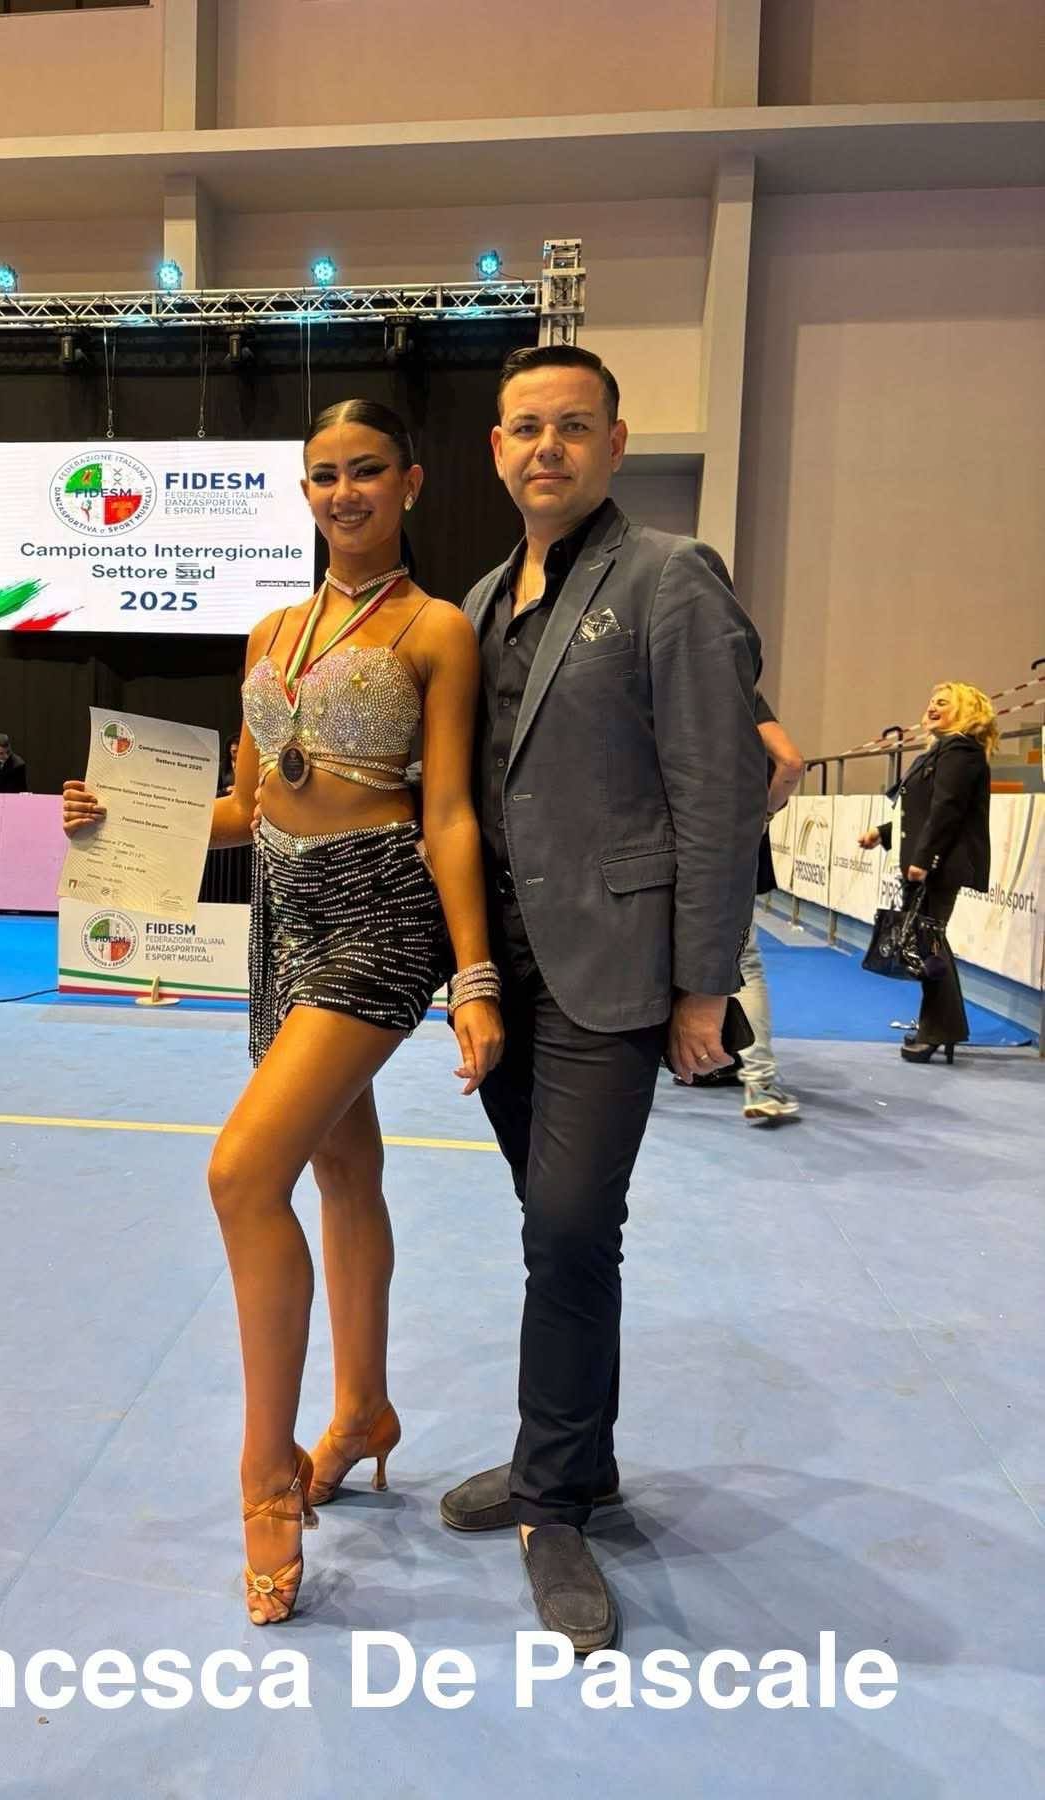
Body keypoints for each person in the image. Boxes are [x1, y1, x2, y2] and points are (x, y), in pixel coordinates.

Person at [63, 400, 503, 1626]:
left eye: (367, 471)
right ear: (303, 491)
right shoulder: (270, 630)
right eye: (324, 475)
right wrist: (114, 813)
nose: (343, 492)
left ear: (410, 482)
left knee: (241, 1174)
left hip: (379, 916)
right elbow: (248, 805)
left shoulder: (435, 629)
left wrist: (472, 977)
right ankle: (362, 1408)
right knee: (341, 1172)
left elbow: (447, 812)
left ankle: (265, 1477)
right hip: (281, 918)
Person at [437, 344, 766, 1652]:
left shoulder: (670, 575)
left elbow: (718, 792)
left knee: (569, 1229)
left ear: (615, 444)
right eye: (525, 427)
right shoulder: (476, 602)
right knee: (558, 1227)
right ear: (495, 448)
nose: (547, 448)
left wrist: (703, 985)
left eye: (573, 426)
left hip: (614, 968)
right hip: (506, 974)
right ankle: (579, 1456)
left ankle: (552, 1502)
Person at [857, 680, 994, 1063]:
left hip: (938, 866)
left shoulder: (961, 751)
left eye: (943, 703)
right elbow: (919, 813)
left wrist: (924, 859)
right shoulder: (941, 750)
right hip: (929, 860)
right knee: (929, 944)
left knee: (929, 945)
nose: (932, 707)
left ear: (964, 710)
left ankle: (940, 1030)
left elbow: (947, 810)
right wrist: (882, 833)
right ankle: (941, 1028)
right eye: (932, 701)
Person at [738, 697, 804, 1123]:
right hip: (728, 843)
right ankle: (759, 1083)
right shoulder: (741, 690)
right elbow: (791, 762)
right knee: (742, 961)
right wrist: (761, 814)